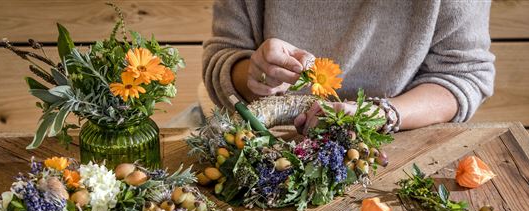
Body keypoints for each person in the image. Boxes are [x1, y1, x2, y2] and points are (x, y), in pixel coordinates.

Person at [203, 0, 495, 133]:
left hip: (397, 136)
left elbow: (463, 74)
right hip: (260, 137)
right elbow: (222, 57)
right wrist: (255, 76)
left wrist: (379, 115)